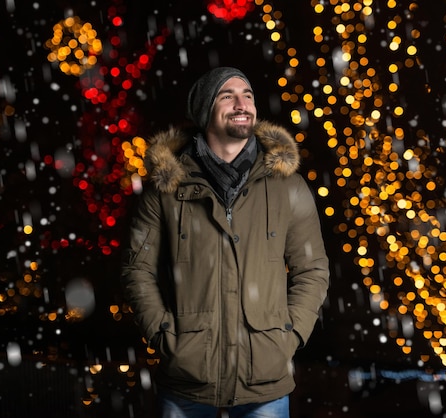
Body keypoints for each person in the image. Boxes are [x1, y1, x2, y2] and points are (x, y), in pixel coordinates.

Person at [121, 67, 330, 418]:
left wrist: (288, 338)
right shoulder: (166, 189)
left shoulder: (287, 187)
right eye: (227, 95)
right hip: (186, 381)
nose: (241, 103)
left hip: (265, 381)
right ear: (205, 111)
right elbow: (137, 270)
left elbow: (313, 269)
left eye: (247, 95)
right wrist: (165, 337)